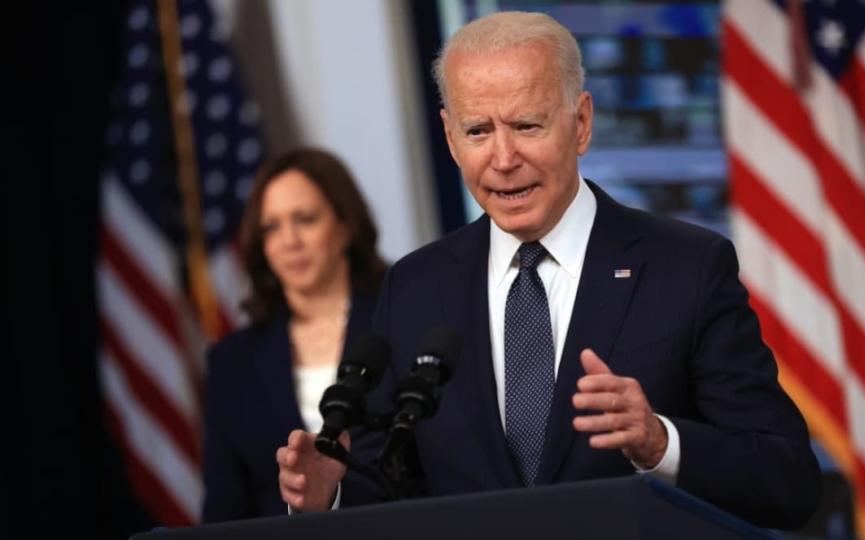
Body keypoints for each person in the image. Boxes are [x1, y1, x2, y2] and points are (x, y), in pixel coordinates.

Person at [277, 11, 821, 529]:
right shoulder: (415, 287)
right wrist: (333, 494)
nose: (504, 157)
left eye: (526, 125)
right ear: (449, 138)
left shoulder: (686, 268)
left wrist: (661, 443)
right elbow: (394, 485)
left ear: (580, 123)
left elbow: (789, 481)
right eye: (477, 132)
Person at [202, 148, 387, 522]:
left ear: (345, 225)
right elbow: (224, 508)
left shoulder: (399, 322)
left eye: (304, 219)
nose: (289, 241)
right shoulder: (231, 362)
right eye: (272, 227)